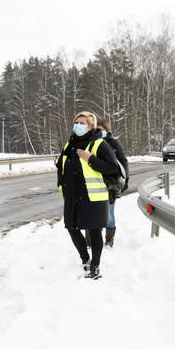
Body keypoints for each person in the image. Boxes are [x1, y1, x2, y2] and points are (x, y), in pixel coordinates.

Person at [57, 111, 118, 280]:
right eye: (76, 121)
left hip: (93, 197)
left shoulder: (99, 145)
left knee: (95, 230)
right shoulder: (69, 145)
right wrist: (61, 184)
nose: (77, 125)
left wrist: (91, 159)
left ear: (91, 126)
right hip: (72, 197)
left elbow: (113, 168)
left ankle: (95, 265)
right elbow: (60, 167)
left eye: (81, 122)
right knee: (72, 228)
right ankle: (85, 259)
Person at [98, 119, 129, 247]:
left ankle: (109, 241)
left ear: (107, 130)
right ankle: (91, 241)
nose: (98, 132)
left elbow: (123, 161)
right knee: (92, 213)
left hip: (111, 184)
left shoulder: (114, 144)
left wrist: (125, 180)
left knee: (109, 213)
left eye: (101, 129)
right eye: (96, 129)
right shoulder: (90, 142)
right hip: (93, 184)